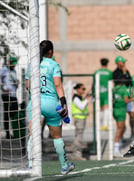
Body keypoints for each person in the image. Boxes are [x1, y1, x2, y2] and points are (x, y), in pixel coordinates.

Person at [25, 40, 75, 175]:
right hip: (51, 104)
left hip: (35, 103)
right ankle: (64, 166)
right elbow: (58, 85)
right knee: (57, 136)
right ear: (51, 52)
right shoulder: (54, 65)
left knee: (33, 135)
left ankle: (30, 166)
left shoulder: (31, 65)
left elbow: (27, 86)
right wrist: (63, 103)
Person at [112, 80, 134, 157]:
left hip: (115, 110)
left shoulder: (115, 89)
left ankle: (118, 145)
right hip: (121, 111)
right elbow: (126, 100)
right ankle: (116, 149)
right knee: (120, 129)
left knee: (122, 128)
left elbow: (113, 99)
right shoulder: (124, 89)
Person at [113, 56, 134, 138]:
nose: (124, 63)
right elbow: (120, 81)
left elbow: (130, 82)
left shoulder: (126, 71)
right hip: (120, 97)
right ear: (118, 63)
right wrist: (123, 72)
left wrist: (132, 92)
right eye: (123, 62)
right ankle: (120, 134)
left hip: (128, 95)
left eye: (124, 62)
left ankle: (133, 131)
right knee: (121, 119)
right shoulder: (115, 72)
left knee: (132, 114)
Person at [71, 83, 92, 160]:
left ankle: (77, 153)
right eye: (82, 89)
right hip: (79, 119)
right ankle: (76, 154)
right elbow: (82, 107)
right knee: (78, 137)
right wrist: (87, 99)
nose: (84, 91)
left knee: (79, 136)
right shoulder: (76, 98)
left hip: (81, 118)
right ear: (78, 89)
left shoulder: (79, 98)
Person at [1, 56, 19, 139]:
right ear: (9, 63)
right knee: (6, 114)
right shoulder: (4, 70)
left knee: (15, 109)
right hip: (6, 95)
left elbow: (13, 80)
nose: (14, 66)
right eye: (13, 64)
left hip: (13, 94)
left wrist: (16, 83)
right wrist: (2, 88)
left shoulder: (14, 71)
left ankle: (14, 129)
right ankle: (7, 133)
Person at [92, 58, 113, 131]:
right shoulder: (109, 72)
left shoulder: (97, 72)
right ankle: (105, 125)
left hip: (98, 92)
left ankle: (99, 125)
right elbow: (111, 82)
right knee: (106, 108)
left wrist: (93, 93)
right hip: (106, 92)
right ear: (107, 64)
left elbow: (94, 83)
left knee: (100, 109)